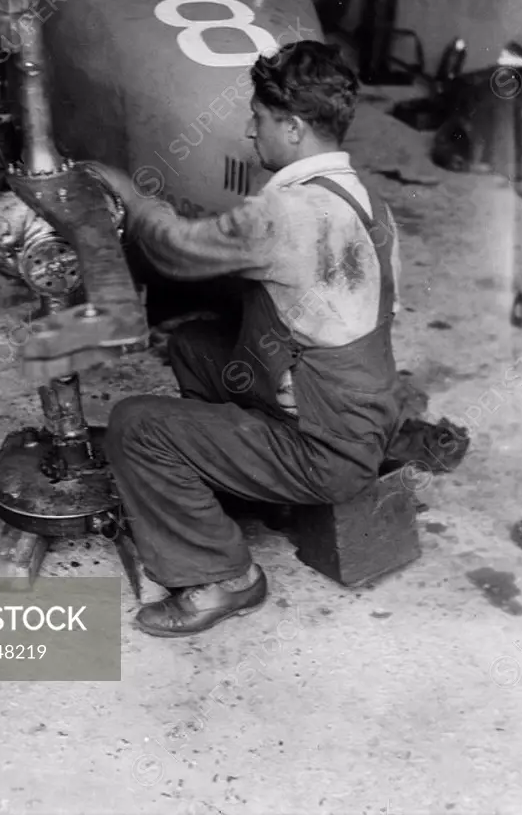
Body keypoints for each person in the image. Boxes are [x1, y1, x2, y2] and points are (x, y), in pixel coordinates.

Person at [88, 40, 401, 638]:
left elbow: (177, 249)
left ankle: (223, 579)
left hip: (324, 448)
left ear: (292, 124)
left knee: (135, 425)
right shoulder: (366, 199)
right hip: (362, 416)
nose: (249, 131)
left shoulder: (288, 212)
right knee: (196, 346)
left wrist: (128, 195)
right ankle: (243, 489)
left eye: (257, 118)